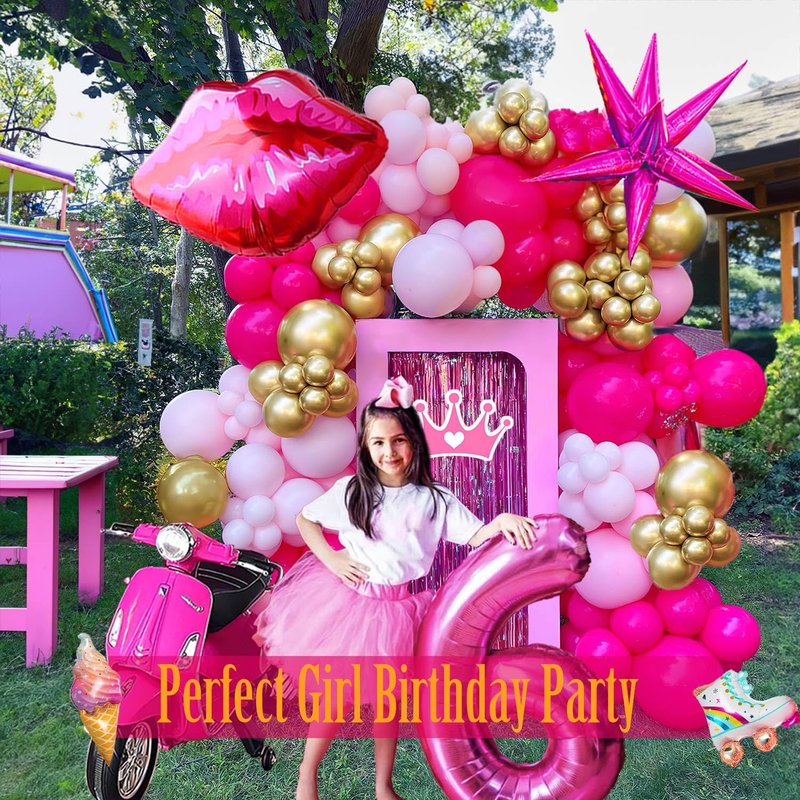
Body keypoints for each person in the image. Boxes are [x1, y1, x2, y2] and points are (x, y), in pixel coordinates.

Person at [256, 377, 538, 800]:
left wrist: (501, 522)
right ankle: (306, 774)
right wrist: (332, 559)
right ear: (366, 448)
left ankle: (383, 785)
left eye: (398, 441)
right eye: (378, 443)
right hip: (350, 608)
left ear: (414, 443)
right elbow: (305, 520)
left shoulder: (434, 499)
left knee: (387, 704)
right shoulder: (353, 491)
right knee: (336, 698)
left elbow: (475, 535)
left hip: (401, 611)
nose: (389, 452)